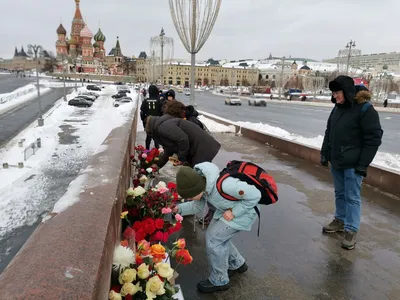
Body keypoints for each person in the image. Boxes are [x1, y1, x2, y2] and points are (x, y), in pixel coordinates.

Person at [172, 163, 261, 293]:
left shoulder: (226, 185)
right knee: (219, 238)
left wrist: (234, 212)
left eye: (190, 196)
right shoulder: (203, 186)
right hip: (226, 210)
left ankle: (220, 280)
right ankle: (237, 263)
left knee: (214, 239)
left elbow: (255, 195)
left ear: (196, 189)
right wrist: (178, 208)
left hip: (244, 212)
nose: (189, 199)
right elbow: (196, 206)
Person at [321, 76, 383, 250]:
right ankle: (340, 220)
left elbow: (374, 139)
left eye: (337, 93)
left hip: (354, 163)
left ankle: (351, 229)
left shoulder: (365, 109)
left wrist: (363, 164)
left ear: (347, 92)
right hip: (337, 160)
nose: (335, 96)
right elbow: (329, 131)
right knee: (340, 193)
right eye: (333, 93)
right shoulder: (337, 108)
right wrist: (325, 153)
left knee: (352, 197)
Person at [145, 114, 220, 169]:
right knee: (198, 175)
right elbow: (169, 149)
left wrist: (181, 159)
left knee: (200, 176)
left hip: (201, 147)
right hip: (199, 147)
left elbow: (183, 139)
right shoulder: (163, 126)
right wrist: (158, 165)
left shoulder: (163, 127)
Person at [140, 85, 163, 150]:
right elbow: (163, 112)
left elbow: (142, 113)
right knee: (156, 139)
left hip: (148, 122)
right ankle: (157, 152)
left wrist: (144, 122)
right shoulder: (159, 101)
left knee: (148, 138)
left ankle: (146, 152)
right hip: (157, 122)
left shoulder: (145, 101)